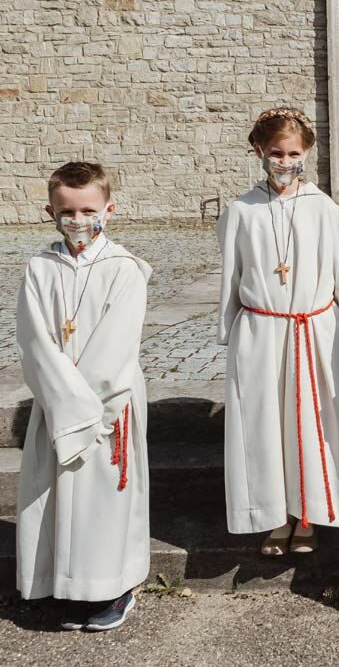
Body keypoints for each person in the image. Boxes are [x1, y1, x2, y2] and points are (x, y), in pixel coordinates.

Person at [217, 107, 339, 555]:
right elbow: (230, 274)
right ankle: (272, 515)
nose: (285, 161)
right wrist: (231, 330)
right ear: (259, 151)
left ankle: (310, 512)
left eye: (293, 153)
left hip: (311, 328)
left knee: (314, 423)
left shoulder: (327, 210)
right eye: (276, 153)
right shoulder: (240, 210)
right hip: (260, 329)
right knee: (262, 423)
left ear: (307, 154)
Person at [17, 162, 151, 631]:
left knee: (102, 500)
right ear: (50, 211)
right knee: (54, 495)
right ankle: (65, 586)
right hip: (56, 405)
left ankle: (112, 588)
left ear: (109, 210)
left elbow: (117, 346)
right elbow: (33, 340)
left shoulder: (126, 270)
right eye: (67, 211)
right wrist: (62, 400)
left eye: (88, 210)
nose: (78, 220)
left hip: (108, 406)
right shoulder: (39, 267)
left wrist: (89, 409)